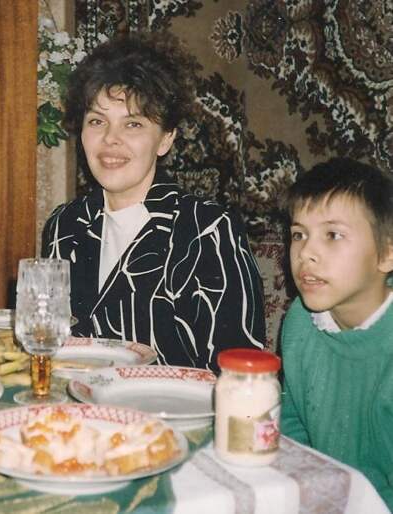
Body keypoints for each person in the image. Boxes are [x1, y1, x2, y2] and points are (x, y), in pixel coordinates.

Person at [41, 31, 266, 372]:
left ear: (165, 139)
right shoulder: (64, 225)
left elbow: (239, 371)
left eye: (133, 124)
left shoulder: (206, 230)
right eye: (97, 121)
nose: (110, 139)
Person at [280, 157, 393, 508]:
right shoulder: (301, 321)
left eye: (333, 235)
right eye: (299, 235)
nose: (306, 253)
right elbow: (291, 428)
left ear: (387, 254)